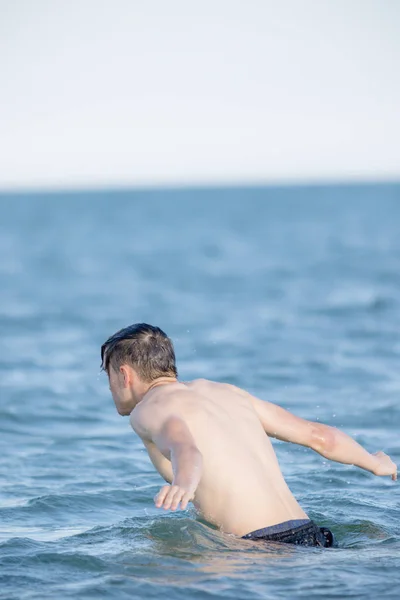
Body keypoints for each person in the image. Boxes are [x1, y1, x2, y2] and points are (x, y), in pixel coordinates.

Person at [101, 323, 397, 548]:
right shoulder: (227, 392)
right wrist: (373, 462)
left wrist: (184, 483)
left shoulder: (149, 409)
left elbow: (185, 447)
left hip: (261, 548)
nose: (110, 387)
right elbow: (319, 436)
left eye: (109, 376)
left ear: (124, 375)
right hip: (313, 534)